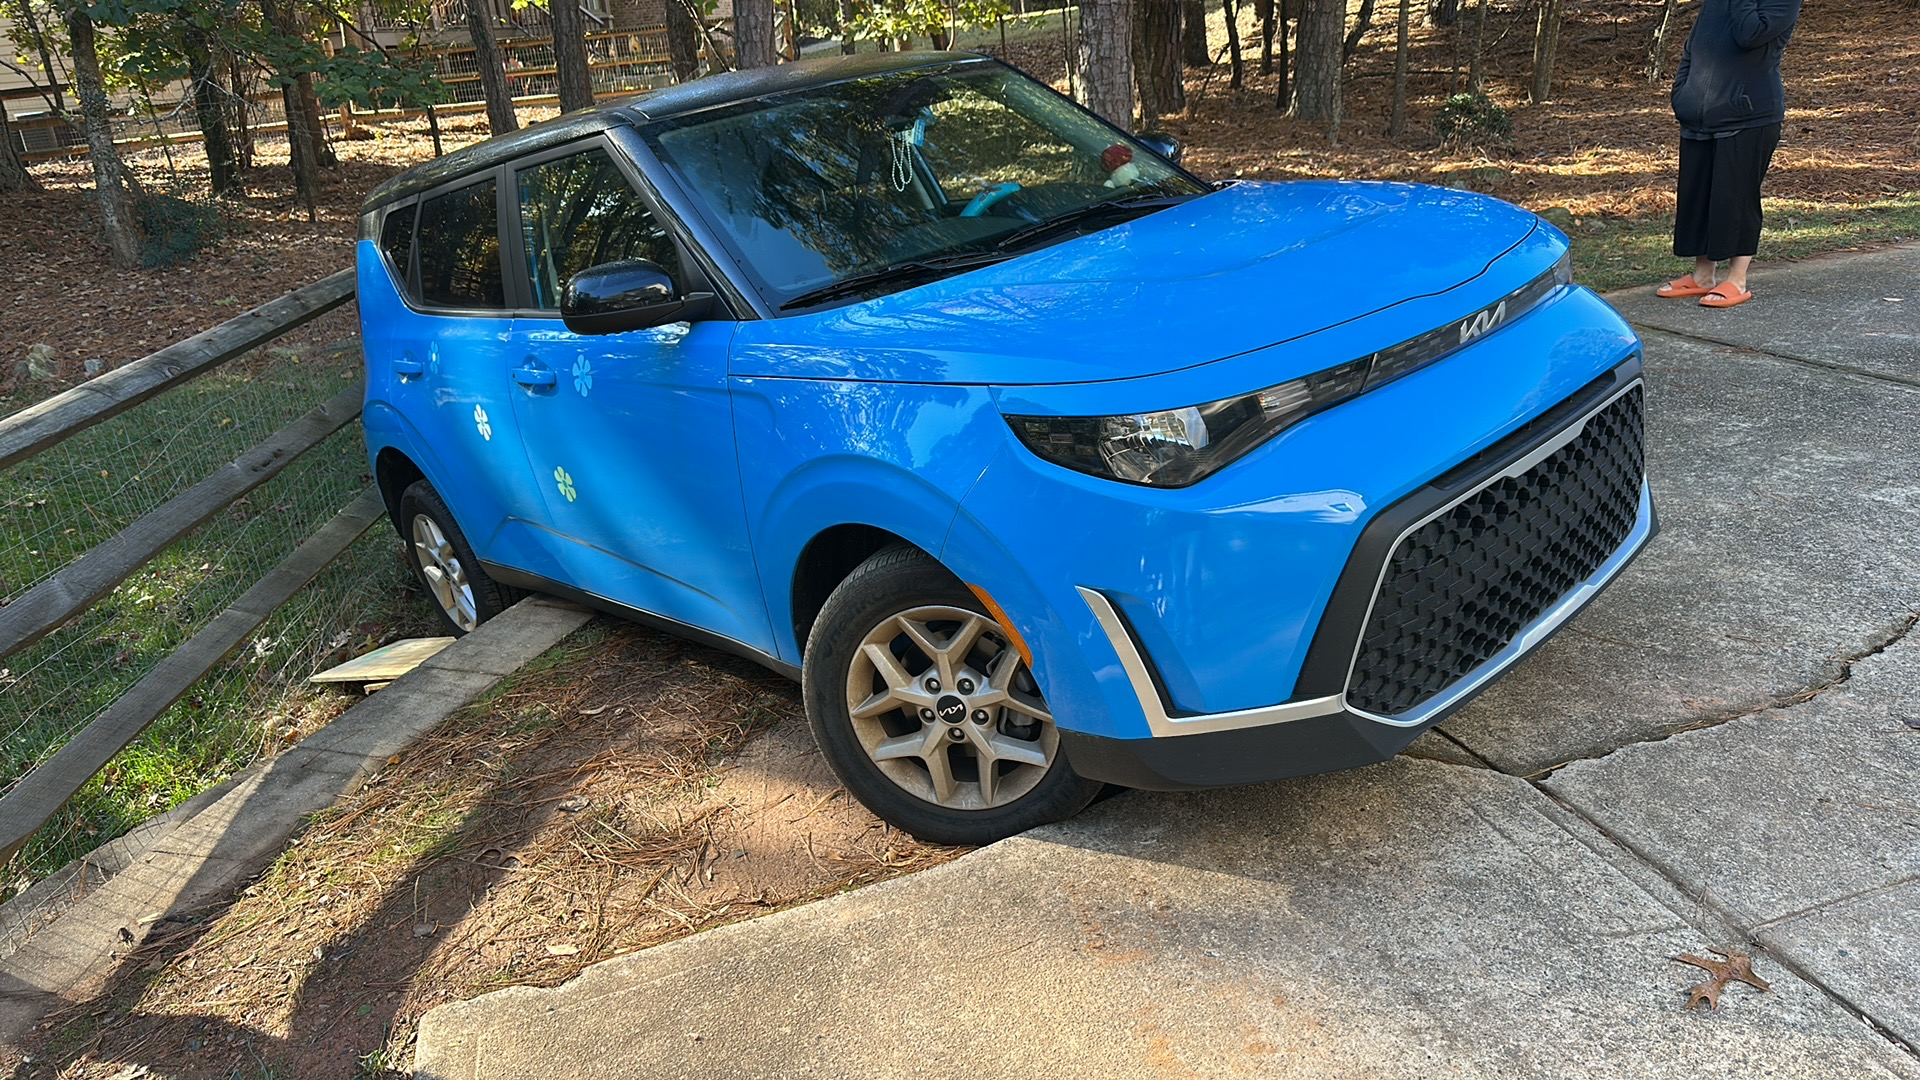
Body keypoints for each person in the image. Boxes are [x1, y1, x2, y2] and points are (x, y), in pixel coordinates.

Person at [1654, 0, 1801, 308]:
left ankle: (1737, 279)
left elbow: (1750, 33)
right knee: (1700, 197)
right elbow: (1694, 45)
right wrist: (1683, 94)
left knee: (1737, 197)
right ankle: (1702, 277)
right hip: (1700, 115)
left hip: (1749, 116)